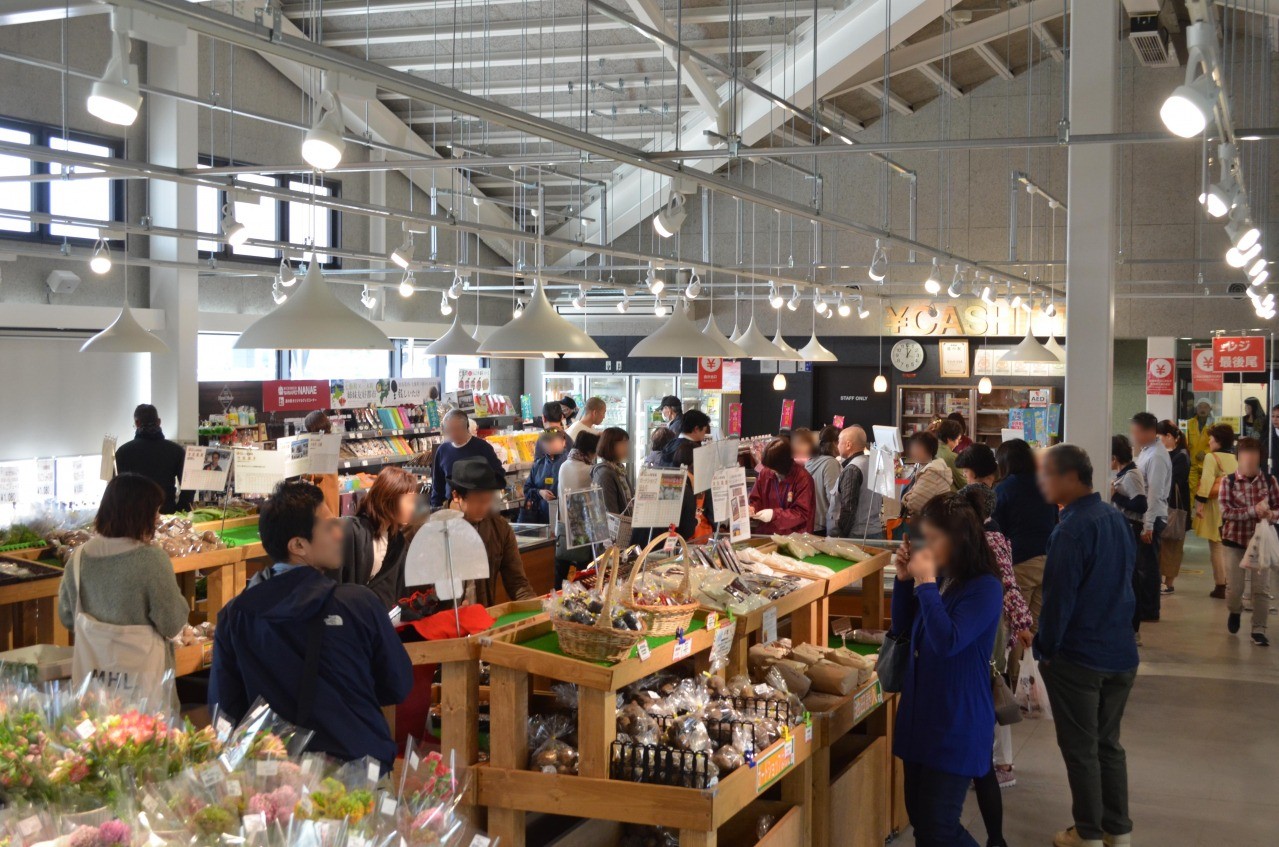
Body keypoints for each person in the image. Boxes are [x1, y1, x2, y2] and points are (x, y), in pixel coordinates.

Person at [210, 480, 413, 769]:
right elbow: (398, 685)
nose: (340, 533)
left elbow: (225, 710)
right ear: (298, 545)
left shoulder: (235, 616)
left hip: (276, 771)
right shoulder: (358, 605)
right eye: (329, 526)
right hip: (357, 767)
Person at [1035, 445, 1138, 847]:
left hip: (1080, 658)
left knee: (1081, 749)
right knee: (1108, 745)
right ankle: (1118, 830)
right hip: (1120, 652)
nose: (1042, 482)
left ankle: (1088, 833)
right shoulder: (1115, 519)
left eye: (1047, 474)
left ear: (1070, 477)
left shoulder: (1071, 530)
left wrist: (1046, 649)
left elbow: (1058, 601)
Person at [889, 490, 1003, 847]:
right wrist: (904, 582)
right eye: (924, 537)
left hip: (956, 723)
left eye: (933, 539)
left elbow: (948, 641)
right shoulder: (942, 577)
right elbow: (902, 627)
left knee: (939, 828)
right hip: (920, 718)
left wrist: (924, 584)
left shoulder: (985, 588)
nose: (926, 547)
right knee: (923, 825)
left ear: (959, 540)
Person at [58, 473, 190, 697]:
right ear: (139, 514)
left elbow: (67, 617)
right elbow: (172, 622)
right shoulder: (152, 559)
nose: (158, 518)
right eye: (155, 511)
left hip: (95, 680)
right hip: (143, 682)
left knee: (96, 718)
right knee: (146, 720)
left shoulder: (78, 558)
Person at [993, 438, 1058, 684]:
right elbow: (1055, 520)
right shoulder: (1045, 484)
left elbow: (997, 531)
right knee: (1035, 624)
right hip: (1047, 560)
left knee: (1016, 626)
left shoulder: (1004, 489)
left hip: (1020, 562)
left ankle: (1013, 682)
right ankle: (1032, 681)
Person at [446, 459, 538, 605]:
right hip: (445, 618)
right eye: (479, 501)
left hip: (483, 615)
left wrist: (539, 609)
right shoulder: (433, 531)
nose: (485, 507)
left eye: (488, 500)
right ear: (456, 496)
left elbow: (517, 583)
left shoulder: (500, 528)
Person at [1217, 436, 1278, 647]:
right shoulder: (1228, 481)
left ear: (1260, 458)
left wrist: (1271, 514)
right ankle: (1235, 610)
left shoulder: (1269, 481)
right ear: (1238, 458)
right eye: (1245, 456)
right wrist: (1253, 511)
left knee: (1261, 589)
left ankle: (1259, 629)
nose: (1249, 460)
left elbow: (1278, 507)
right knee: (1235, 589)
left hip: (1261, 543)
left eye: (1254, 455)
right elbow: (1225, 512)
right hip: (1235, 541)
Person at [339, 466, 420, 610]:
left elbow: (394, 592)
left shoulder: (398, 542)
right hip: (349, 615)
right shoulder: (353, 532)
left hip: (378, 618)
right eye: (409, 501)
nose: (412, 508)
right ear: (389, 498)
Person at [1130, 412, 1170, 625]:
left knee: (1148, 567)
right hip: (1146, 516)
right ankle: (1145, 607)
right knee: (1143, 565)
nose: (1134, 436)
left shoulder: (1156, 456)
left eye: (1136, 432)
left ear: (1148, 432)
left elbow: (1154, 493)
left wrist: (1148, 525)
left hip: (1152, 517)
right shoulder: (1147, 451)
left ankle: (1149, 609)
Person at [114, 403, 191, 514]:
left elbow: (117, 489)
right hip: (166, 513)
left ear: (137, 423)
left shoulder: (123, 452)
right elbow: (188, 486)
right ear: (159, 422)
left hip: (133, 516)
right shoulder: (176, 450)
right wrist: (180, 510)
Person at [1110, 435, 1149, 641]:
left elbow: (1141, 505)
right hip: (1124, 528)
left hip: (1130, 528)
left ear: (1114, 457)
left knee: (1130, 578)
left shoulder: (1132, 475)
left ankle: (1134, 628)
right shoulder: (1125, 473)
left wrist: (1115, 495)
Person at [1193, 423, 1237, 599]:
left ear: (1218, 440)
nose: (1209, 442)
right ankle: (1233, 583)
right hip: (1233, 505)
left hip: (1216, 506)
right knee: (1230, 548)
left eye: (1211, 438)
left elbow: (1206, 481)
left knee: (1216, 546)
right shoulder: (1236, 457)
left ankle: (1221, 585)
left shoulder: (1211, 457)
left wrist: (1199, 502)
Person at [655, 410, 713, 538]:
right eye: (704, 431)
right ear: (696, 429)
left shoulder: (669, 445)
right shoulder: (694, 451)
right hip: (689, 518)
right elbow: (703, 488)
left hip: (664, 510)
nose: (705, 435)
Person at [430, 409, 505, 508]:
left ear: (466, 427)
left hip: (479, 504)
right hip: (452, 506)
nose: (452, 434)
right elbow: (437, 484)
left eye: (456, 429)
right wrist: (435, 507)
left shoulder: (482, 447)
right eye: (448, 430)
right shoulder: (442, 450)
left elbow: (499, 473)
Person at [554, 431, 600, 587]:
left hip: (563, 528)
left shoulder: (564, 466)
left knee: (561, 574)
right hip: (582, 532)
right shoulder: (589, 470)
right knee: (583, 576)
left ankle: (557, 598)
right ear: (590, 451)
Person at [748, 437, 816, 534]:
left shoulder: (803, 479)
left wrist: (774, 515)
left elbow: (801, 513)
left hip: (794, 536)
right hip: (768, 533)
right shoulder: (765, 473)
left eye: (773, 468)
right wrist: (753, 508)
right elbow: (756, 498)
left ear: (782, 464)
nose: (771, 471)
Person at [1156, 420, 1191, 594]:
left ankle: (1168, 583)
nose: (1157, 441)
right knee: (1163, 548)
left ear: (1169, 436)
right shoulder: (1168, 454)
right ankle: (1161, 581)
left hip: (1175, 509)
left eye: (1159, 437)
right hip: (1165, 508)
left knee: (1172, 548)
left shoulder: (1181, 456)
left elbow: (1172, 482)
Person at [833, 425, 884, 540]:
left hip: (857, 535)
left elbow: (849, 508)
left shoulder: (852, 469)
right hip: (875, 530)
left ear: (848, 445)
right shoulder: (873, 464)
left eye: (839, 441)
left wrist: (841, 535)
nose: (837, 445)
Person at [901, 432, 955, 527]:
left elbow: (914, 503)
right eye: (912, 447)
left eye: (917, 447)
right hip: (933, 522)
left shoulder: (932, 472)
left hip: (932, 525)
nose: (912, 451)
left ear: (929, 449)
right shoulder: (927, 467)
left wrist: (906, 498)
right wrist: (909, 496)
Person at [518, 429, 568, 524]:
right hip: (541, 519)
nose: (548, 443)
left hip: (564, 517)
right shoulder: (538, 465)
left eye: (552, 440)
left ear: (563, 442)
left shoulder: (568, 463)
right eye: (545, 440)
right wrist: (539, 492)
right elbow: (527, 489)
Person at [795, 428, 840, 535]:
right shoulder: (831, 463)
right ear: (835, 443)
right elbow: (833, 498)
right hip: (823, 524)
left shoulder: (810, 461)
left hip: (810, 522)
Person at [591, 427, 633, 515]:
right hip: (617, 523)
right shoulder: (604, 473)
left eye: (627, 443)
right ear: (610, 445)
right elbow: (610, 512)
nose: (627, 448)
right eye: (623, 443)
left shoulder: (620, 469)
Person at [1186, 400, 1215, 497]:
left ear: (1210, 409)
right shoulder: (1188, 424)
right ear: (1196, 409)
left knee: (1206, 491)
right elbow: (1183, 442)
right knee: (1191, 491)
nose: (1203, 409)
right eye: (1200, 407)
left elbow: (1218, 444)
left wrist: (1206, 452)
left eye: (1205, 407)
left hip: (1207, 464)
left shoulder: (1215, 425)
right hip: (1192, 464)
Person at [935, 419, 969, 490]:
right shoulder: (951, 457)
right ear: (949, 439)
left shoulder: (933, 449)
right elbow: (964, 483)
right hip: (949, 494)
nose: (957, 443)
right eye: (958, 439)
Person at [1270, 405, 1279, 477]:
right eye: (1273, 416)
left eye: (1278, 417)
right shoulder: (1268, 436)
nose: (1275, 419)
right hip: (1273, 475)